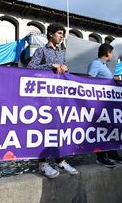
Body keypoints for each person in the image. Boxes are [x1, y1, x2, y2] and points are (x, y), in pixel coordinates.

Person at [27, 23, 78, 178]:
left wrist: (66, 69)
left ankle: (60, 160)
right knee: (44, 129)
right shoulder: (41, 50)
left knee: (58, 129)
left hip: (58, 97)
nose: (62, 36)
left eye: (62, 34)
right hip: (43, 96)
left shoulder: (62, 53)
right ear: (50, 34)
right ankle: (42, 164)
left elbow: (62, 71)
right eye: (59, 33)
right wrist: (51, 65)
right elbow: (30, 67)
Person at [87, 43, 122, 168]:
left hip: (107, 103)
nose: (112, 55)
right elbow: (89, 81)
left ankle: (112, 153)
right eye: (112, 53)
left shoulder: (104, 66)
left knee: (109, 129)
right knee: (100, 131)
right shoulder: (95, 64)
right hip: (99, 103)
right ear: (107, 53)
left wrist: (113, 80)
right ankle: (101, 157)